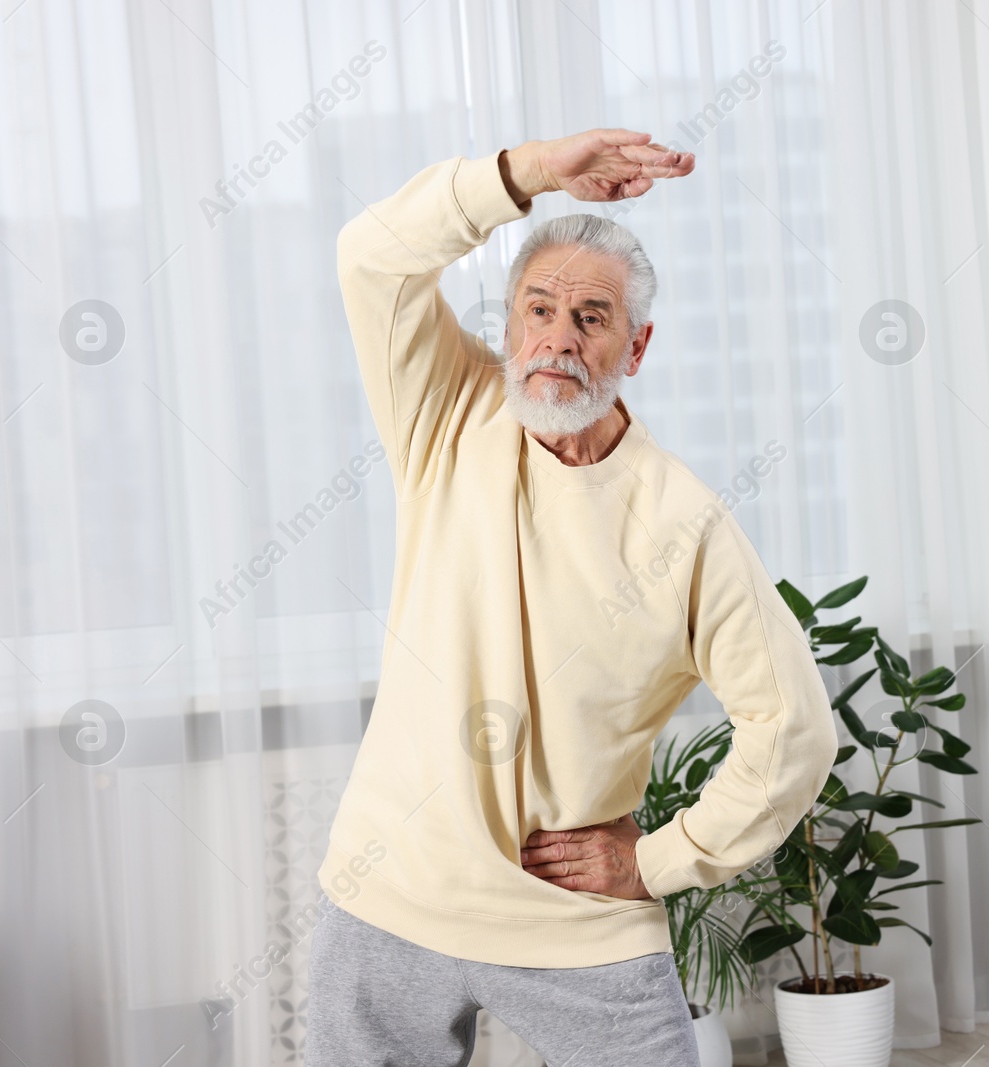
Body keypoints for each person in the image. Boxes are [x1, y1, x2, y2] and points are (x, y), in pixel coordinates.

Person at [303, 128, 841, 1066]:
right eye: (538, 308)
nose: (557, 337)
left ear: (636, 345)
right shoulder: (448, 411)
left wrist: (658, 861)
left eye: (590, 317)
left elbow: (794, 726)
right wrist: (531, 173)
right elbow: (370, 256)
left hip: (575, 920)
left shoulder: (685, 520)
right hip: (390, 891)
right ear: (508, 327)